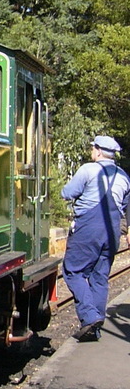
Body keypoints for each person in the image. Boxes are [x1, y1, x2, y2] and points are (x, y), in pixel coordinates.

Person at [61, 134, 130, 341]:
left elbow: (67, 193)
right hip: (112, 230)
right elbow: (127, 207)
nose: (91, 151)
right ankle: (95, 327)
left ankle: (90, 317)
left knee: (73, 271)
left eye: (93, 148)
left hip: (88, 228)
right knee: (100, 278)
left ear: (99, 151)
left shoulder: (88, 170)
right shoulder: (124, 176)